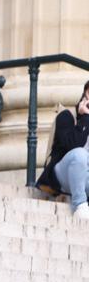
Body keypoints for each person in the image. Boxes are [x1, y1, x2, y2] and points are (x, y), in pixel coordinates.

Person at [36, 80, 89, 219]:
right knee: (80, 155)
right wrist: (84, 118)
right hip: (63, 173)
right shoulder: (67, 116)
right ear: (84, 98)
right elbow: (72, 145)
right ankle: (80, 205)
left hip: (86, 178)